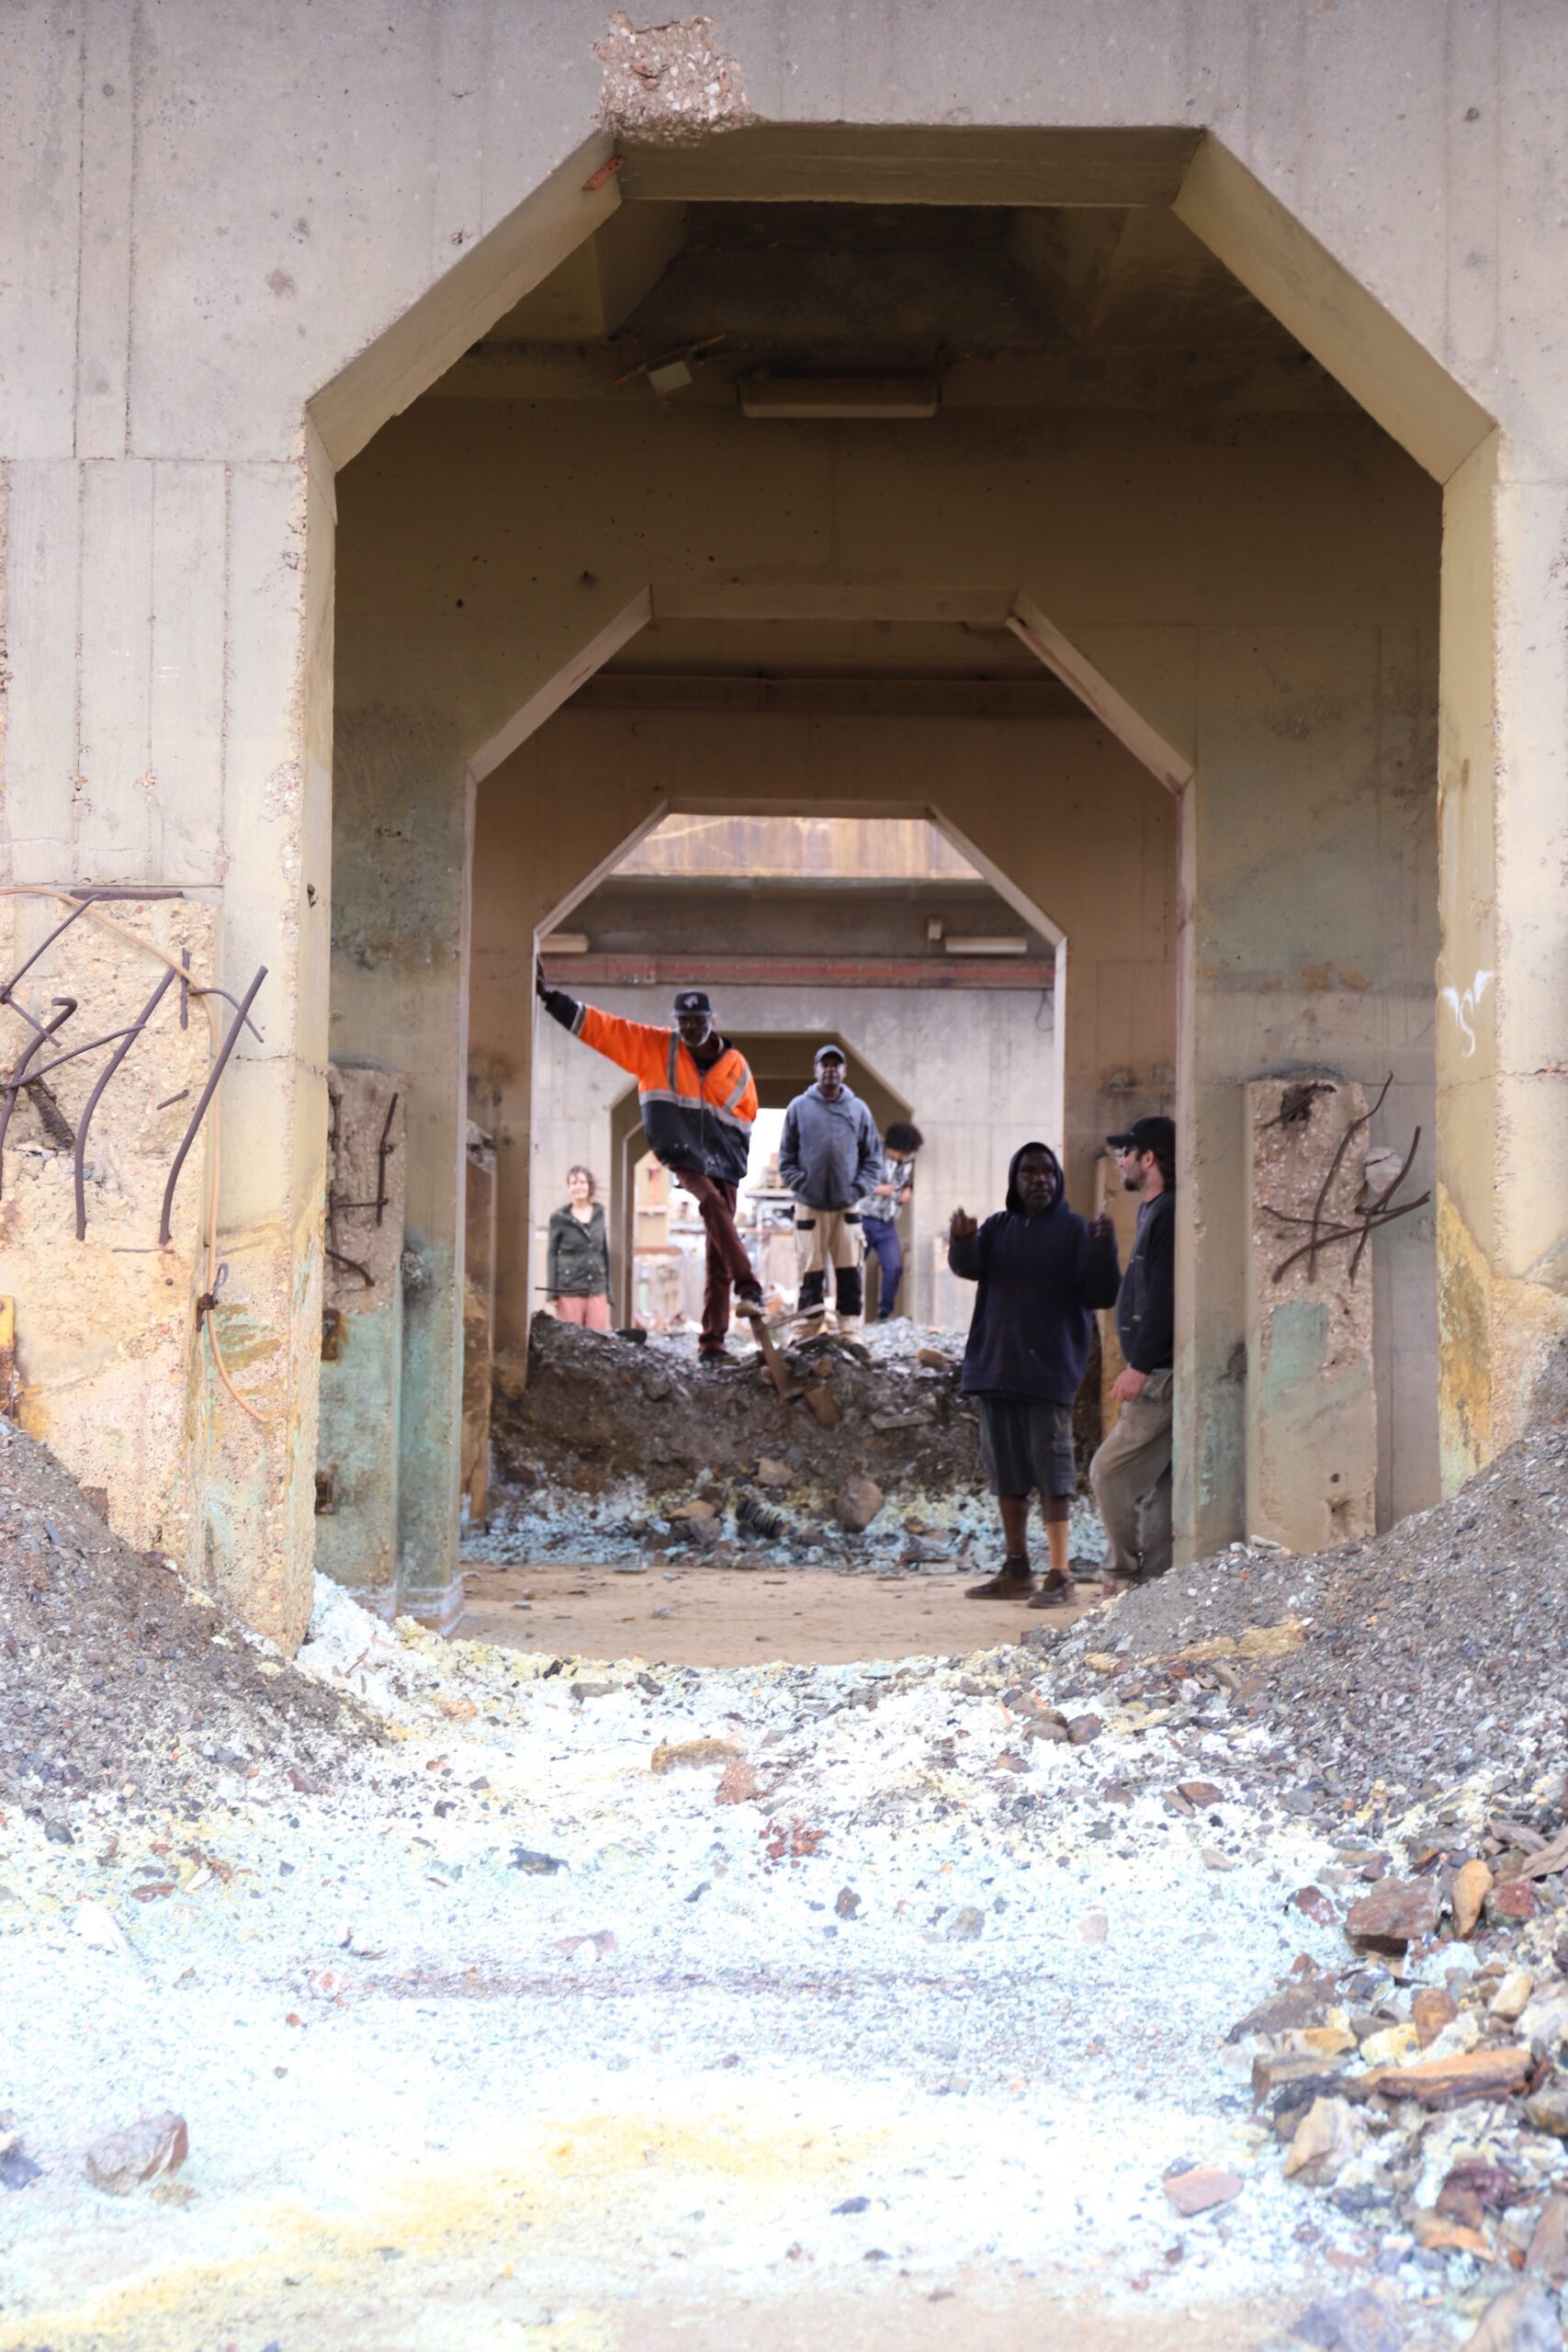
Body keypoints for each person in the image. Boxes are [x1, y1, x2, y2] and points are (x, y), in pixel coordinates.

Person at [536, 964, 764, 1362]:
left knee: (717, 1254)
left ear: (711, 1022)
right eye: (684, 1023)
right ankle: (751, 1288)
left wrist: (730, 1158)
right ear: (676, 1024)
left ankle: (712, 1344)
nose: (690, 1029)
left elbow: (749, 1114)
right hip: (684, 1154)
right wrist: (551, 1000)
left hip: (724, 1161)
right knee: (709, 1203)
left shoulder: (737, 1065)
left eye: (697, 1022)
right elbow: (606, 1031)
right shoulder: (657, 1049)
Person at [948, 1141, 1120, 1605]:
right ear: (1015, 1180)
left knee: (1054, 1476)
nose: (1038, 1179)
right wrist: (962, 1240)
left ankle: (1060, 1575)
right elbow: (970, 1267)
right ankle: (1016, 1569)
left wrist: (1104, 1249)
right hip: (996, 1370)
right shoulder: (998, 1227)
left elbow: (1102, 1294)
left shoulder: (1076, 1231)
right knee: (1008, 1476)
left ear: (1058, 1180)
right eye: (1029, 1172)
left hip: (1047, 1374)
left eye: (1047, 1172)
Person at [1090, 1114, 1176, 1596]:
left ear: (1148, 1159)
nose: (1120, 1159)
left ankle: (1122, 1575)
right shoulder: (1151, 1210)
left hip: (1159, 1375)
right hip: (1156, 1370)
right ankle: (1155, 1585)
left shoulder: (1167, 1213)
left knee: (1108, 1471)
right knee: (1160, 1486)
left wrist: (1139, 1366)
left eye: (1128, 1151)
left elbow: (1163, 1296)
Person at [779, 1044, 882, 1340]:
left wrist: (858, 1189)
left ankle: (850, 1333)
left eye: (836, 1065)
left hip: (846, 1208)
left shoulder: (858, 1109)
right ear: (816, 1070)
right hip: (809, 1206)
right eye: (825, 1064)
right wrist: (801, 1183)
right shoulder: (799, 1107)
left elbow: (872, 1158)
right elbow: (786, 1156)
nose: (830, 1070)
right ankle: (805, 1332)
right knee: (809, 1272)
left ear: (844, 1071)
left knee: (850, 1271)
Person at [863, 1119, 924, 1320]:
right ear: (893, 1147)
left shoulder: (906, 1160)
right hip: (864, 1218)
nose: (904, 1157)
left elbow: (907, 1180)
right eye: (902, 1153)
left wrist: (908, 1190)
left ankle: (884, 1313)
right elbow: (854, 1179)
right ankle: (848, 1312)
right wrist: (879, 1189)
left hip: (887, 1222)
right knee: (853, 1267)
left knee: (894, 1267)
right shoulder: (871, 1152)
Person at [545, 1165, 612, 1331]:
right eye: (574, 1183)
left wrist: (608, 1290)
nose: (578, 1187)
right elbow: (552, 1254)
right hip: (569, 1288)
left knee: (598, 1339)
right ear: (569, 1188)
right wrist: (552, 1292)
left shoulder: (599, 1214)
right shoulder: (559, 1218)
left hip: (596, 1286)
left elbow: (603, 1251)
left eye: (582, 1182)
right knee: (571, 1340)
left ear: (589, 1186)